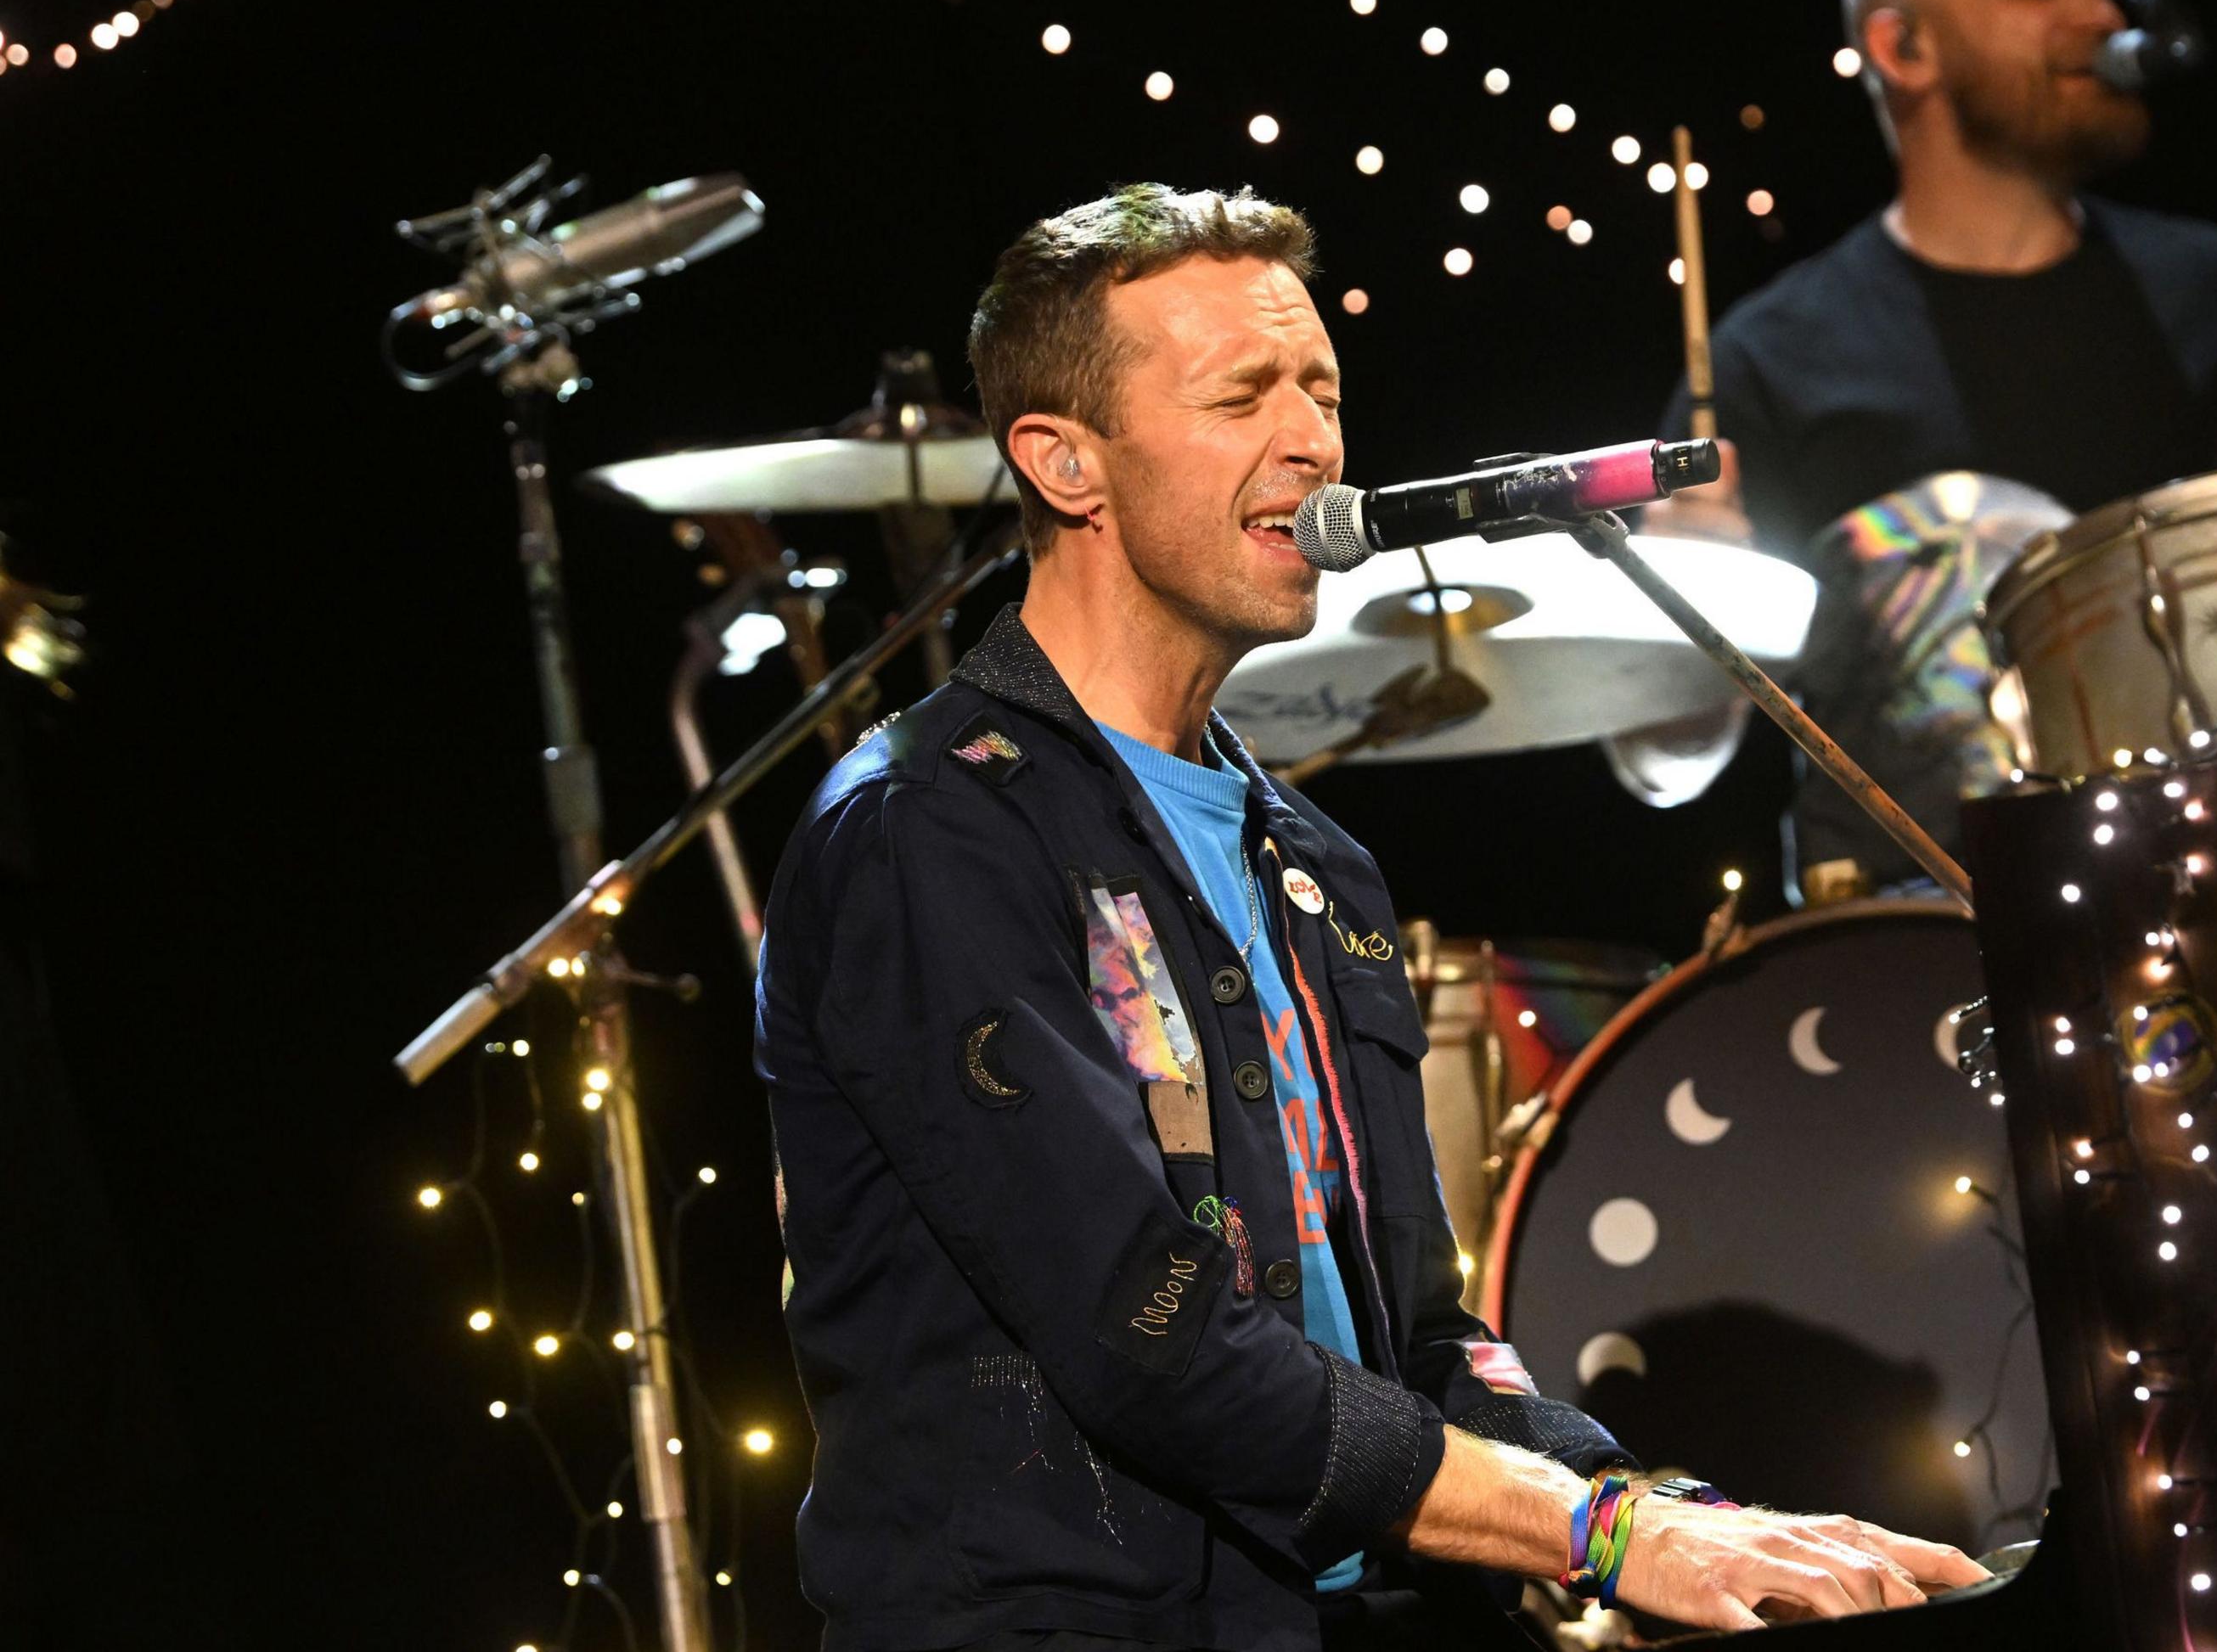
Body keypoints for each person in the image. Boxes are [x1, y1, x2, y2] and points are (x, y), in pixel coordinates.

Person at [755, 183, 1987, 1652]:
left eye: (1321, 387)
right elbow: (1152, 1336)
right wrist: (1597, 1530)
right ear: (1063, 460)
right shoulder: (931, 831)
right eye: (1242, 394)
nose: (1312, 439)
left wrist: (1670, 1511)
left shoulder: (1315, 860)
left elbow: (1413, 1331)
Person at [1655, 0, 2217, 892]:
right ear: (1905, 49)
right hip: (1908, 969)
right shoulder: (1769, 357)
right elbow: (1668, 763)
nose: (2102, 17)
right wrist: (1682, 609)